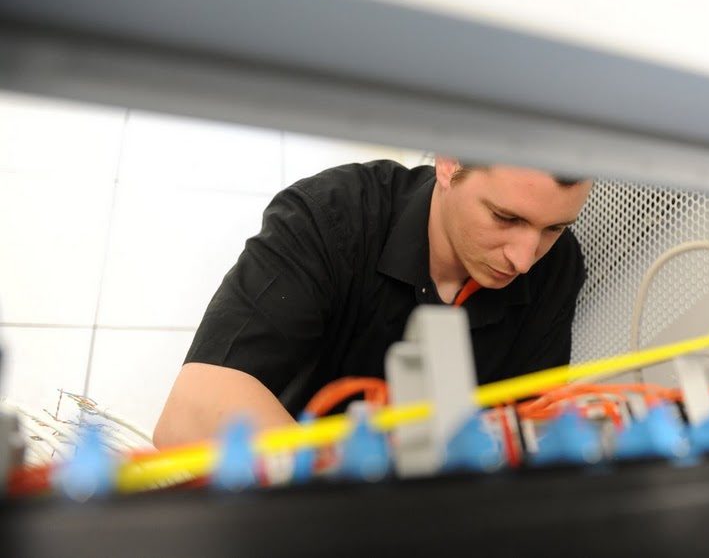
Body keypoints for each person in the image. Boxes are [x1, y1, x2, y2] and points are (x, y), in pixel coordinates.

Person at [153, 157, 592, 447]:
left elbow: (529, 428)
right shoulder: (330, 218)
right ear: (449, 164)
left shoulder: (557, 267)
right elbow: (191, 413)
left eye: (554, 228)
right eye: (505, 217)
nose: (523, 258)